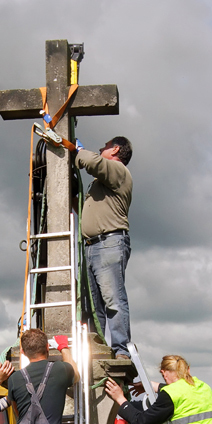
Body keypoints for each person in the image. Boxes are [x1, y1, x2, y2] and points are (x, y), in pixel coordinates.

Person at [75, 136, 133, 359]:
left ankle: (120, 350)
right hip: (92, 246)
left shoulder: (118, 170)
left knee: (113, 300)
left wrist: (77, 148)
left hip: (108, 243)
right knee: (92, 306)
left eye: (105, 147)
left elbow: (93, 163)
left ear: (116, 149)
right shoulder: (103, 185)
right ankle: (95, 349)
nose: (101, 149)